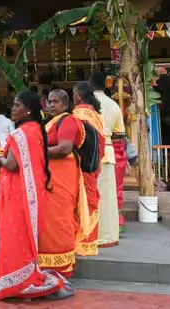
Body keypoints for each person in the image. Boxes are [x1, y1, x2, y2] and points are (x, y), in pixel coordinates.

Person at [0, 91, 70, 301]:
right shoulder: (36, 130)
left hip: (18, 194)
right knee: (24, 236)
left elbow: (12, 165)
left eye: (17, 105)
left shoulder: (20, 134)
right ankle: (22, 277)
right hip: (33, 193)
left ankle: (18, 282)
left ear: (29, 110)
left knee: (13, 236)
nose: (13, 109)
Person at [41, 89, 84, 278]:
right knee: (50, 219)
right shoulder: (52, 121)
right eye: (49, 101)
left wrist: (37, 151)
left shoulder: (67, 120)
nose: (51, 105)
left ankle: (62, 265)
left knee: (60, 218)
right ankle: (48, 263)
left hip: (63, 176)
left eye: (55, 102)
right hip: (52, 176)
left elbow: (64, 148)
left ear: (65, 105)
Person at [72, 81, 105, 257]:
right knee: (91, 200)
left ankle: (81, 242)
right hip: (93, 166)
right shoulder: (95, 114)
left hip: (80, 166)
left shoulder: (78, 113)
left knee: (80, 202)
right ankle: (90, 241)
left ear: (77, 97)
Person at [90, 71, 122, 247]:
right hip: (108, 152)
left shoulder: (86, 104)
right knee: (108, 198)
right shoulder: (114, 105)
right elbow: (120, 136)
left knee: (89, 195)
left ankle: (91, 235)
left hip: (90, 152)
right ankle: (109, 236)